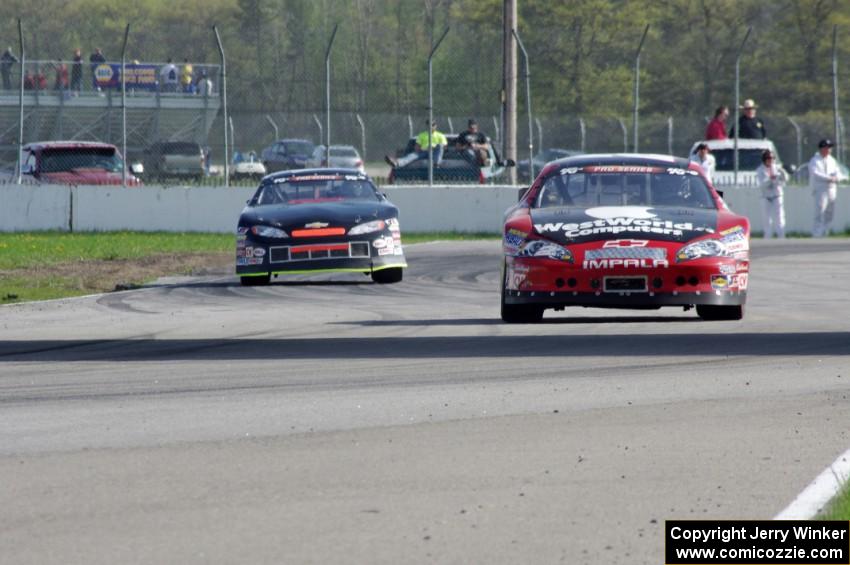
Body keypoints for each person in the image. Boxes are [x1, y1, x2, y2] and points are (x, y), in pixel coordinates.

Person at [809, 139, 846, 237]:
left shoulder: (832, 160)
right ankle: (817, 234)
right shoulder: (815, 160)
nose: (829, 149)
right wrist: (829, 178)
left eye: (830, 147)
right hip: (821, 189)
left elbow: (838, 171)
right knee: (820, 212)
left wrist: (837, 177)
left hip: (832, 188)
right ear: (822, 148)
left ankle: (825, 233)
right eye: (827, 147)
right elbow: (816, 174)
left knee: (830, 213)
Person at [755, 149, 788, 239]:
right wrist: (771, 179)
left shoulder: (777, 168)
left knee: (779, 218)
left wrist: (783, 173)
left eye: (773, 158)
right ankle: (767, 237)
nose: (771, 160)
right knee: (767, 220)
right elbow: (762, 184)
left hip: (777, 195)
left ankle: (781, 237)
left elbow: (785, 180)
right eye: (768, 158)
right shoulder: (760, 170)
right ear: (764, 159)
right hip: (765, 197)